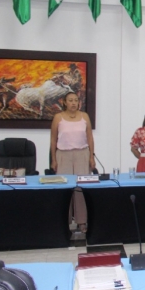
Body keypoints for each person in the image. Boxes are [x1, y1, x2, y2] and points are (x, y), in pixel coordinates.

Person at [50, 91, 95, 233]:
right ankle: (66, 221)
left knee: (81, 188)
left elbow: (90, 138)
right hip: (63, 154)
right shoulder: (58, 117)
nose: (74, 103)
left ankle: (82, 222)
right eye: (70, 100)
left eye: (76, 100)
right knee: (65, 189)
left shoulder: (84, 117)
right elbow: (53, 139)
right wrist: (53, 159)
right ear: (64, 102)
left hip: (82, 153)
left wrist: (91, 157)